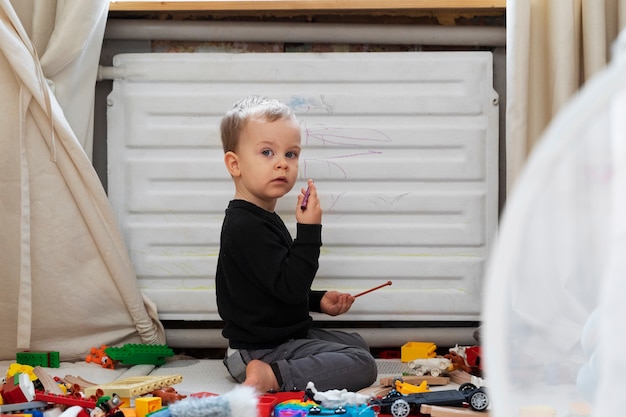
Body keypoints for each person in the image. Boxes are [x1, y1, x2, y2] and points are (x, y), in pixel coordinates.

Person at [216, 95, 378, 394]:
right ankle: (271, 376)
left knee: (356, 343)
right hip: (258, 350)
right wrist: (309, 231)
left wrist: (316, 301)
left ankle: (275, 369)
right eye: (267, 152)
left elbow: (271, 289)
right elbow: (288, 288)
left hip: (274, 339)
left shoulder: (260, 216)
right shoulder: (245, 225)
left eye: (291, 154)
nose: (282, 163)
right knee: (361, 363)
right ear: (235, 164)